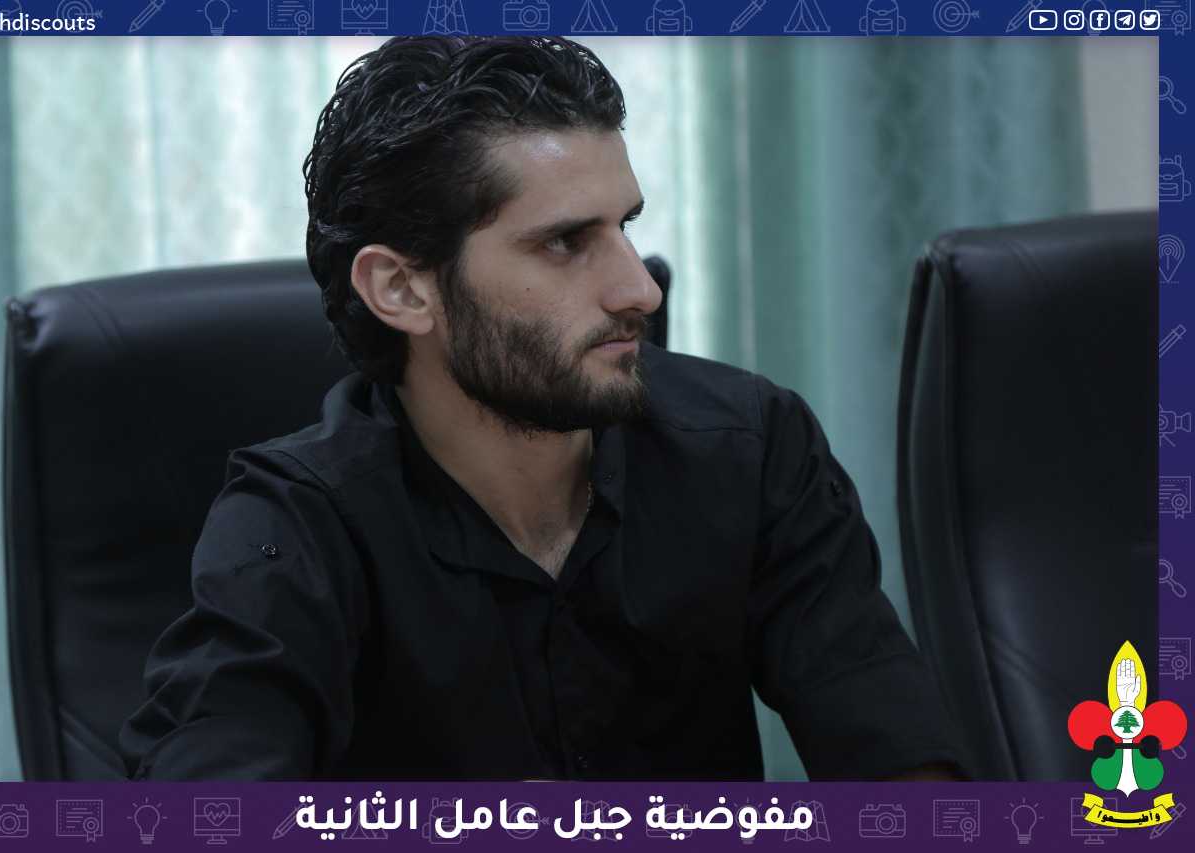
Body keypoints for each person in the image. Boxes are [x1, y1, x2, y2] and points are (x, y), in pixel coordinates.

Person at [119, 35, 967, 782]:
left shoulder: (751, 448)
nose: (639, 289)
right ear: (402, 288)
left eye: (626, 227)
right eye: (565, 241)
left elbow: (900, 762)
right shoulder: (293, 527)